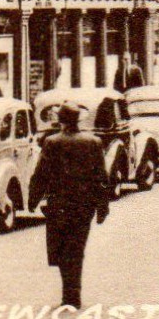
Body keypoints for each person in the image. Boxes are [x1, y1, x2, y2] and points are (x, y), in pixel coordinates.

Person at [29, 102, 113, 308]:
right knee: (76, 248)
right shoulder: (93, 142)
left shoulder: (52, 142)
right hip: (84, 206)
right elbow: (101, 177)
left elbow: (41, 174)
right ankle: (73, 293)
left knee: (60, 248)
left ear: (61, 121)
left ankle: (70, 292)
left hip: (59, 205)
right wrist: (102, 206)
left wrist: (32, 199)